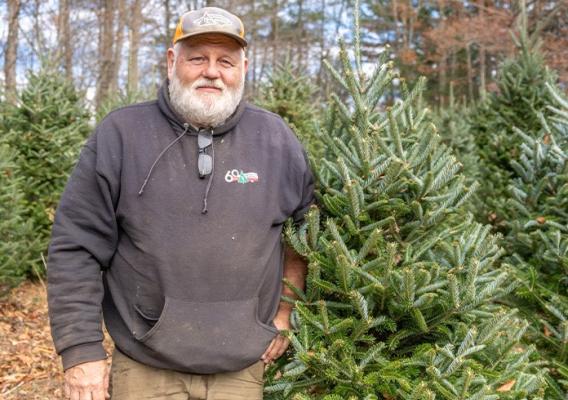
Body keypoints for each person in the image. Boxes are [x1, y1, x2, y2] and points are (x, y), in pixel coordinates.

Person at [47, 6, 314, 400]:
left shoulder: (276, 140)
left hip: (243, 370)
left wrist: (285, 313)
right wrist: (81, 352)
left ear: (244, 67)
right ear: (172, 61)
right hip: (145, 366)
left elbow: (304, 236)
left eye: (226, 60)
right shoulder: (121, 135)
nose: (212, 71)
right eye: (198, 58)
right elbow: (76, 248)